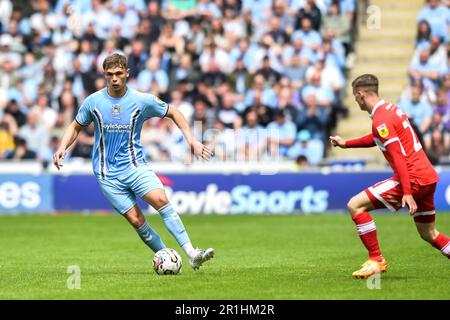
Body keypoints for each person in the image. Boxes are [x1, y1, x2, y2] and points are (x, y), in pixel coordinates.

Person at [53, 53, 214, 270]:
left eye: (119, 73)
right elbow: (75, 125)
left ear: (127, 73)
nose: (115, 78)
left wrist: (192, 141)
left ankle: (192, 254)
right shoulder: (93, 102)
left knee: (160, 199)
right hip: (106, 173)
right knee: (137, 221)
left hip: (134, 166)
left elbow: (174, 112)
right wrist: (64, 146)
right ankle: (165, 256)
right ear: (105, 75)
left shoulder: (142, 100)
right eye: (110, 74)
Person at [329, 74, 449, 278]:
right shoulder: (390, 109)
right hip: (428, 177)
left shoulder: (380, 118)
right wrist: (346, 143)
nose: (356, 101)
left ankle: (376, 259)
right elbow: (376, 137)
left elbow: (398, 155)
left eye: (355, 96)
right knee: (429, 234)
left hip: (412, 179)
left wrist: (407, 192)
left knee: (355, 205)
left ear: (360, 94)